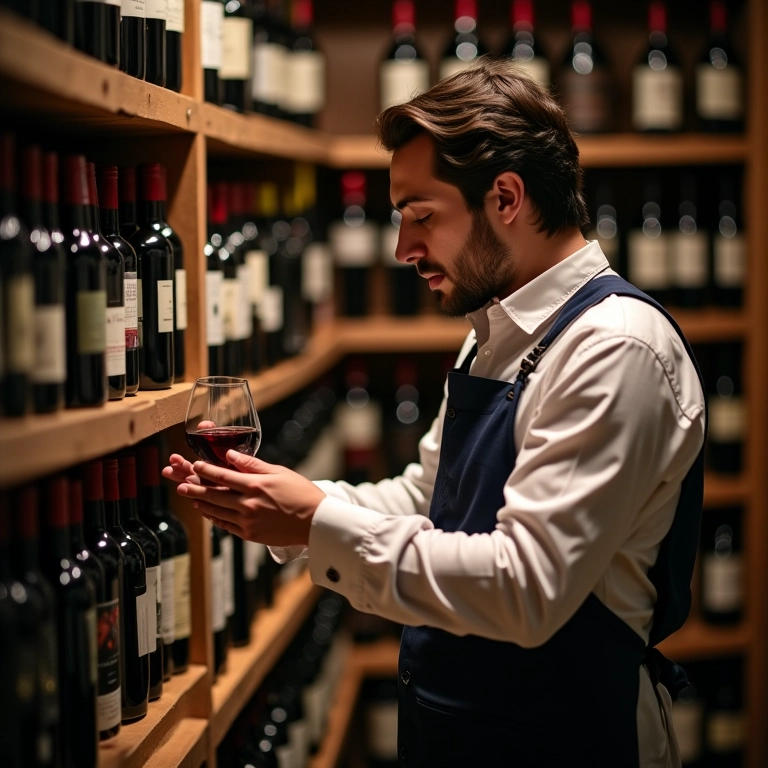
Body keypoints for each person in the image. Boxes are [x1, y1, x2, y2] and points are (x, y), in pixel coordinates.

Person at [164, 59, 706, 768]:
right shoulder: (495, 335)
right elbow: (428, 498)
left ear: (506, 198)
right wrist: (285, 503)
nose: (402, 249)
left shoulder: (614, 350)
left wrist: (314, 522)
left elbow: (525, 586)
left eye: (422, 216)